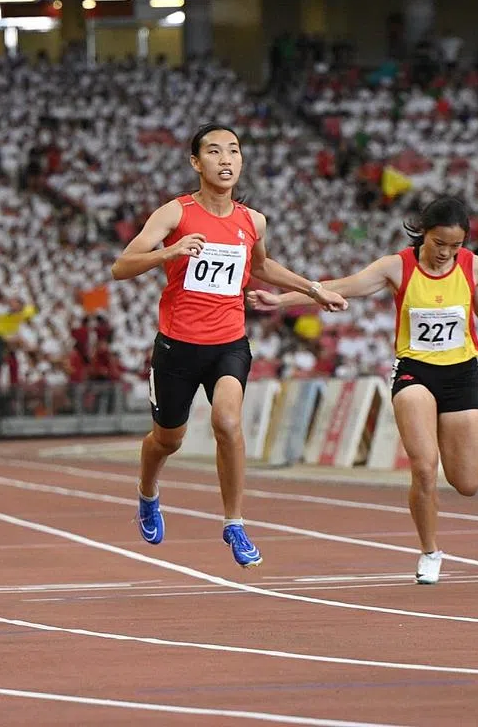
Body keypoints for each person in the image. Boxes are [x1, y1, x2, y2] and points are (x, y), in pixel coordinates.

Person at [110, 123, 347, 568]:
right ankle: (147, 493)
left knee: (227, 421)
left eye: (234, 151)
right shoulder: (174, 214)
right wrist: (170, 252)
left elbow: (263, 266)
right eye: (214, 152)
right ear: (196, 163)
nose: (225, 159)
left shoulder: (252, 220)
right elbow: (121, 267)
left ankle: (234, 522)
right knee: (167, 440)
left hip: (229, 343)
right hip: (177, 348)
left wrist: (312, 289)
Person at [250, 196, 478, 584]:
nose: (446, 253)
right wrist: (282, 298)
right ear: (424, 233)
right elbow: (342, 286)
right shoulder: (397, 266)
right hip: (415, 372)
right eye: (439, 243)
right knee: (424, 468)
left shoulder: (472, 265)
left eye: (454, 246)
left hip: (461, 373)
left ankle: (444, 432)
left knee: (469, 482)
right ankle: (430, 551)